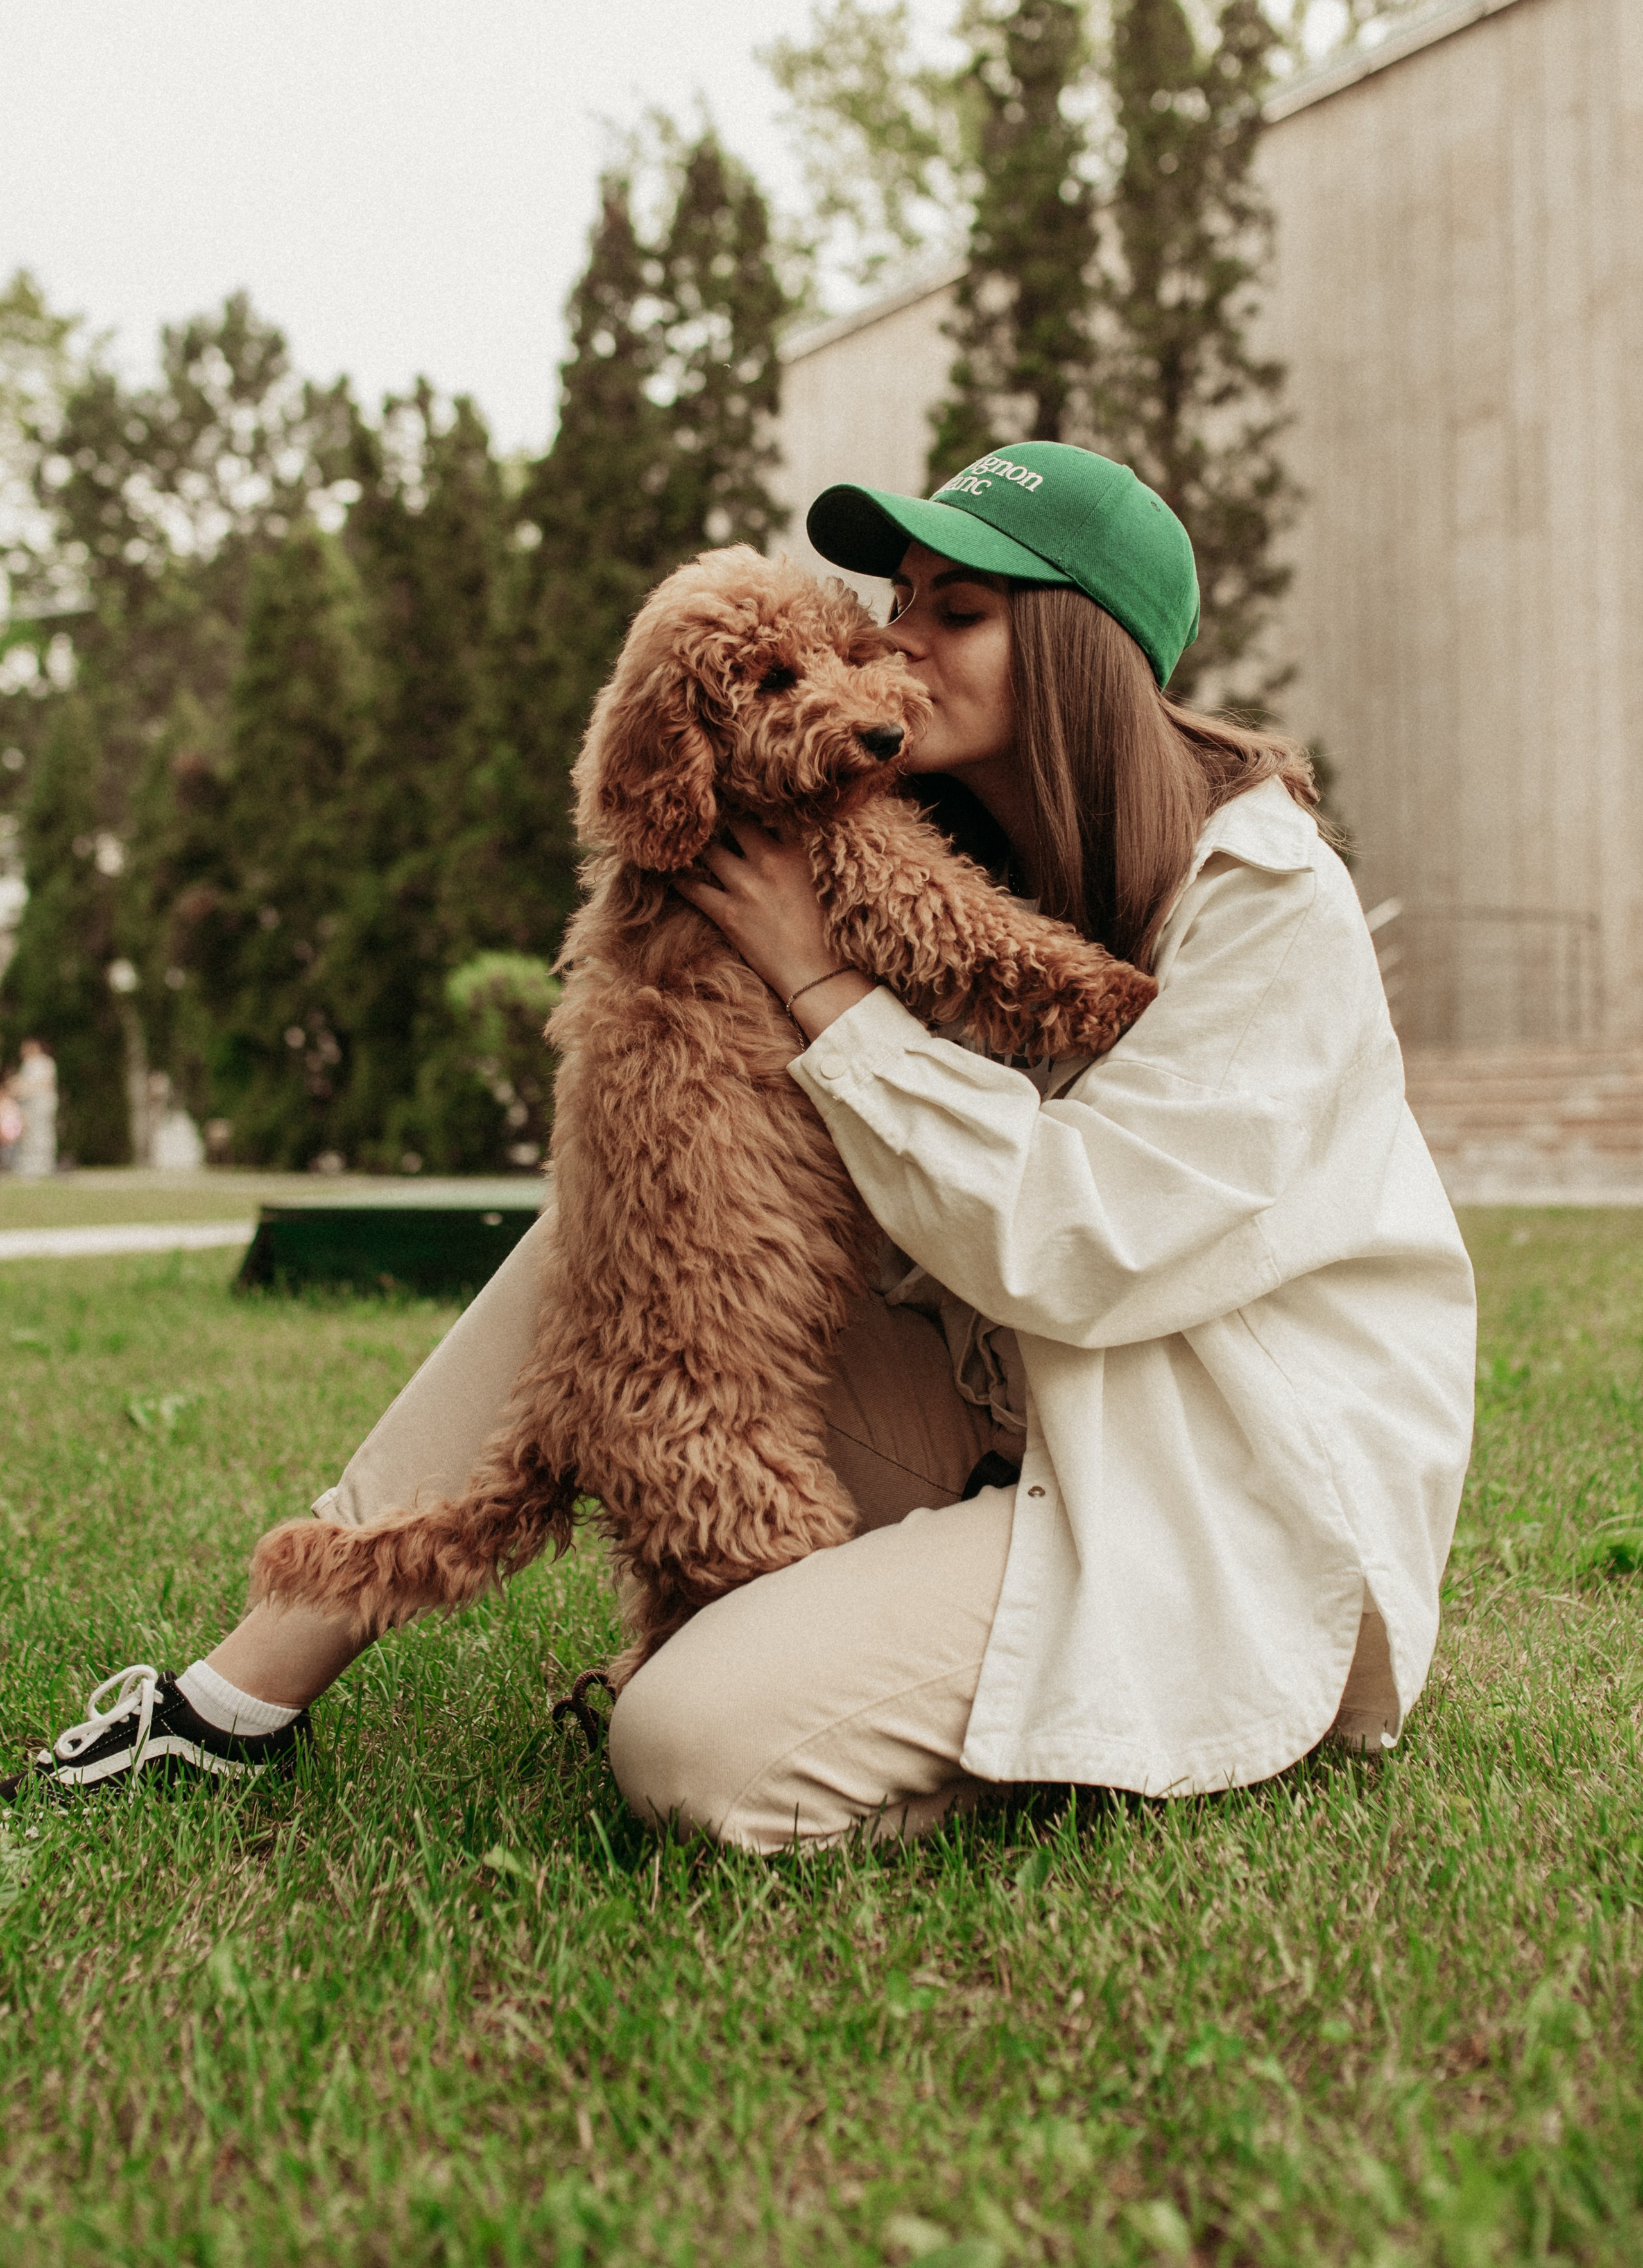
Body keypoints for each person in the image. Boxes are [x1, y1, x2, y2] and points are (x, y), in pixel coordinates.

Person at [9, 444, 1475, 1840]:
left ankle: (1102, 1723)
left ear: (1081, 651)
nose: (893, 642)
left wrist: (823, 986)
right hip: (1010, 1410)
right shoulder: (927, 826)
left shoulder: (1263, 895)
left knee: (685, 1750)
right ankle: (233, 1700)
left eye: (954, 610)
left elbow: (1077, 1242)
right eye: (894, 601)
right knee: (634, 1205)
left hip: (1207, 1487)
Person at [11, 1037, 58, 1179]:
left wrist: (25, 1088)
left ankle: (44, 1166)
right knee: (29, 1136)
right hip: (29, 1107)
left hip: (41, 1104)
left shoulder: (45, 1062)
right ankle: (29, 1166)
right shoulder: (28, 1064)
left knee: (42, 1134)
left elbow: (46, 1083)